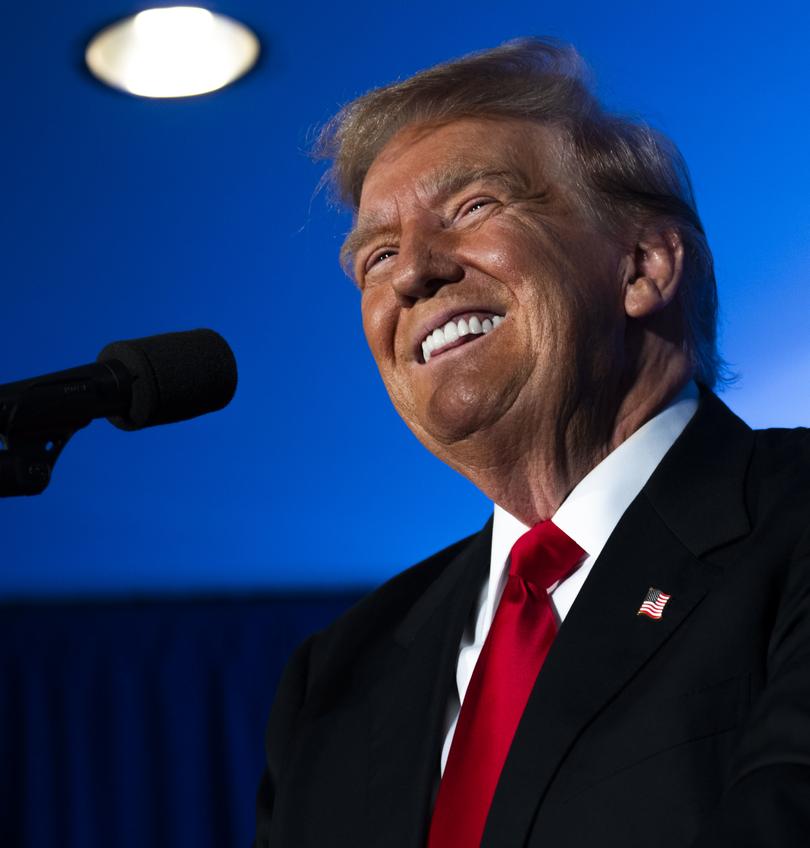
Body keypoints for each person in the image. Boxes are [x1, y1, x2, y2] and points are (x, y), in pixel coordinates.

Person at [255, 39, 810, 847]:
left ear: (644, 265)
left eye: (474, 207)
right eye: (376, 256)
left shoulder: (793, 528)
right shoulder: (336, 677)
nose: (411, 274)